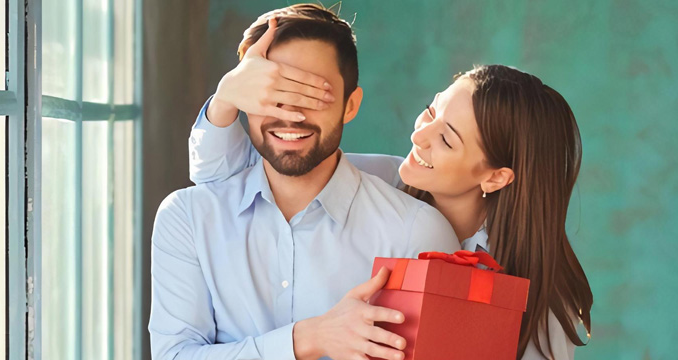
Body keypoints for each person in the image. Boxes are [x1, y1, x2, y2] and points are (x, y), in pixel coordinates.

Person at [189, 54, 594, 358]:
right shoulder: (371, 182)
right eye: (431, 112)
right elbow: (228, 176)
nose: (420, 137)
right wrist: (226, 99)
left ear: (495, 177)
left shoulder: (540, 299)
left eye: (448, 140)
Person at [149, 3, 461, 360]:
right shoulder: (188, 219)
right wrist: (307, 339)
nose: (291, 116)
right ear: (244, 101)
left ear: (350, 105)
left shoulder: (416, 232)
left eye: (314, 96)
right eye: (272, 96)